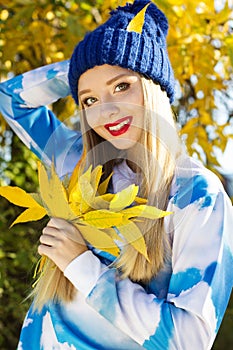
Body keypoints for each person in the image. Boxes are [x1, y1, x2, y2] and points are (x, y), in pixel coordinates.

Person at [0, 1, 232, 349]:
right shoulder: (77, 162)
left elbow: (190, 339)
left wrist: (83, 266)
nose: (105, 110)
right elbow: (11, 99)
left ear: (153, 88)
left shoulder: (197, 194)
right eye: (89, 100)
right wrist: (85, 64)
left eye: (121, 86)